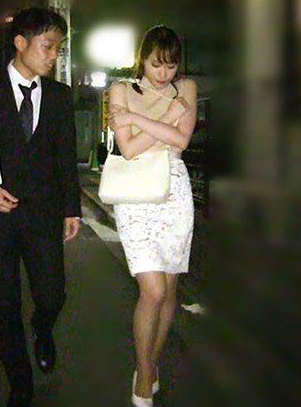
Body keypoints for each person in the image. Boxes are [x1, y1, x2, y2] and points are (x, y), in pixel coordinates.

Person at [0, 7, 81, 407]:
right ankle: (20, 382)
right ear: (20, 43)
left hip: (44, 214)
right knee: (4, 303)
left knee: (53, 294)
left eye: (58, 48)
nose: (53, 55)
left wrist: (72, 209)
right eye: (48, 46)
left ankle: (42, 327)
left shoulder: (60, 97)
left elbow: (66, 158)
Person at [107, 25, 196, 407]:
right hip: (135, 195)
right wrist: (167, 120)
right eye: (156, 64)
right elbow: (128, 151)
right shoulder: (121, 90)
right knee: (154, 290)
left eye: (171, 65)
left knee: (170, 290)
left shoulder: (186, 89)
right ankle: (144, 376)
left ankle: (150, 365)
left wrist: (136, 120)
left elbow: (182, 141)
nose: (164, 73)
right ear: (142, 59)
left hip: (174, 192)